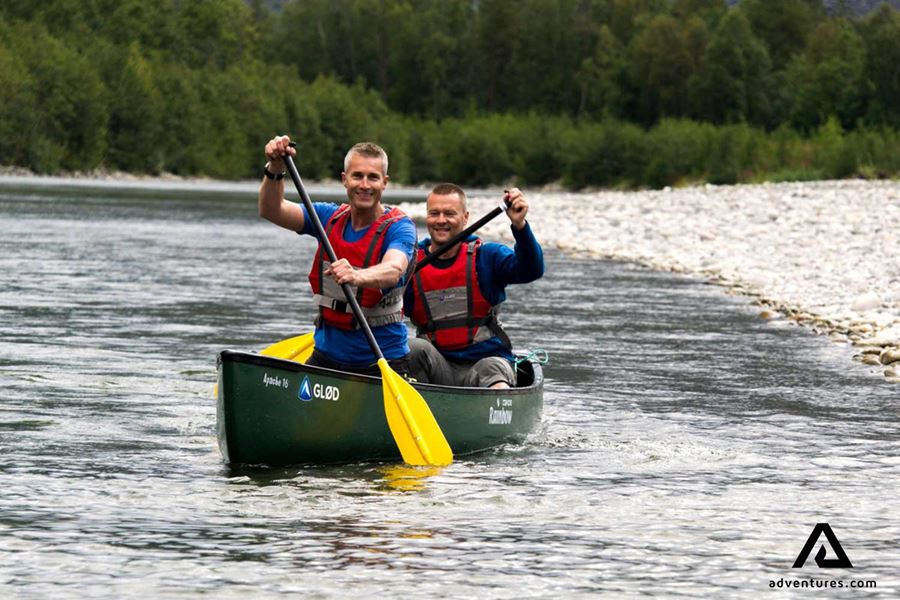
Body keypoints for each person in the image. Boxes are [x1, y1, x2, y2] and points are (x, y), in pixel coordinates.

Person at [259, 135, 416, 376]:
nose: (364, 185)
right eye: (357, 176)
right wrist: (276, 168)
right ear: (345, 180)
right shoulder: (326, 217)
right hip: (326, 357)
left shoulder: (399, 227)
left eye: (373, 177)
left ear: (384, 183)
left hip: (381, 361)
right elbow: (272, 209)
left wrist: (357, 275)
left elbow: (394, 269)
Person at [405, 183, 544, 388]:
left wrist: (520, 226)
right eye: (434, 213)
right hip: (438, 371)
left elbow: (531, 270)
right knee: (411, 348)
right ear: (427, 217)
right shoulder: (409, 265)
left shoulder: (487, 257)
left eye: (449, 213)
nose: (441, 220)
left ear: (465, 218)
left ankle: (495, 409)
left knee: (490, 368)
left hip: (488, 364)